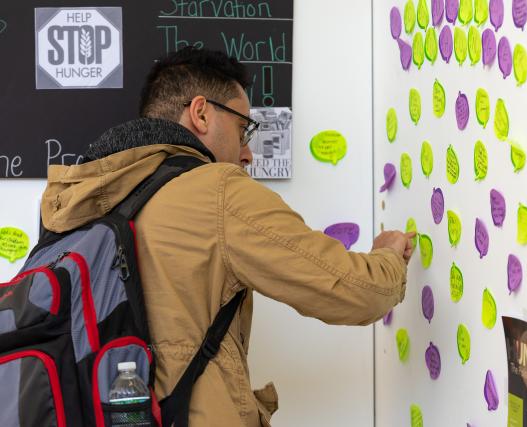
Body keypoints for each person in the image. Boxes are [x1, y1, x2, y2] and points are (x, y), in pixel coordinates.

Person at [40, 47, 414, 427]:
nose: (247, 153)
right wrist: (387, 257)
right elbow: (358, 291)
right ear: (201, 112)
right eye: (242, 129)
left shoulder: (74, 202)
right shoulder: (216, 191)